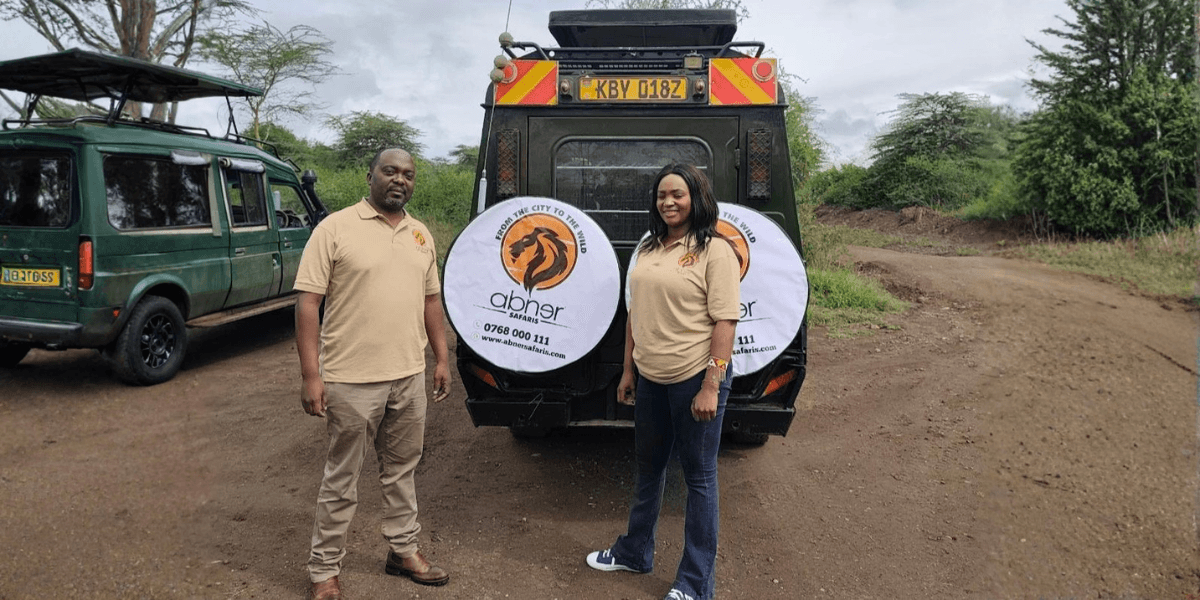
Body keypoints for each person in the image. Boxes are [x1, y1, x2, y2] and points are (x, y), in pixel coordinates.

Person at [294, 148, 452, 600]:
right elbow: (307, 302)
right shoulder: (335, 228)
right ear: (370, 176)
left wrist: (440, 358)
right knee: (341, 478)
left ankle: (403, 551)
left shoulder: (421, 235)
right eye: (389, 171)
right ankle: (324, 570)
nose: (398, 180)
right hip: (350, 380)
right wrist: (311, 375)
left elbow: (430, 302)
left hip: (407, 376)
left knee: (402, 471)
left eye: (407, 174)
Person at [586, 163, 740, 600]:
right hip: (651, 378)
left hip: (694, 378)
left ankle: (695, 584)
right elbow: (635, 309)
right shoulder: (650, 246)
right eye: (661, 195)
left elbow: (725, 319)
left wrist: (712, 383)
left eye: (678, 194)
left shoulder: (715, 250)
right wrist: (629, 369)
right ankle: (635, 552)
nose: (668, 202)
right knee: (649, 469)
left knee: (699, 477)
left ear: (697, 198)